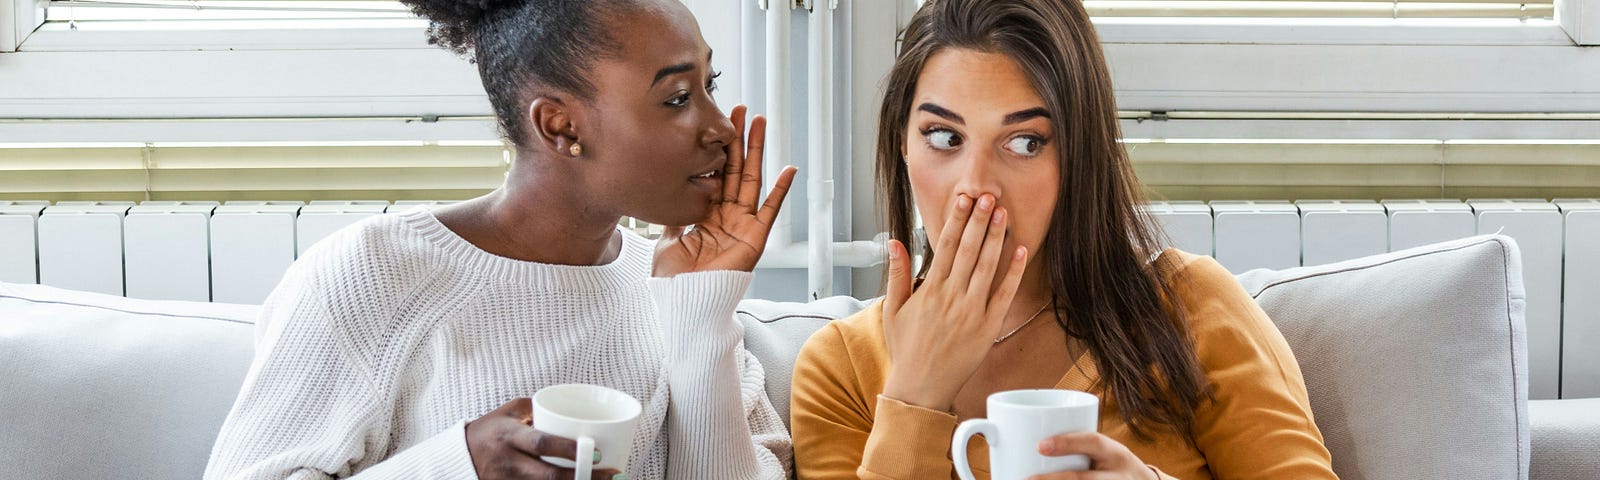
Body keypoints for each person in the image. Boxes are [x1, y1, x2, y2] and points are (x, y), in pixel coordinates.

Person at [204, 0, 797, 479]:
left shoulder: (678, 286)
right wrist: (460, 463)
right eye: (676, 98)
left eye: (709, 84)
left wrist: (699, 317)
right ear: (559, 125)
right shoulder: (375, 271)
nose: (722, 128)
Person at [788, 0, 1338, 478]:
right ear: (902, 146)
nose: (975, 186)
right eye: (943, 136)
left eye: (1025, 142)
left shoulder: (1188, 310)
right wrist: (914, 398)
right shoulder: (841, 371)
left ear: (1077, 156)